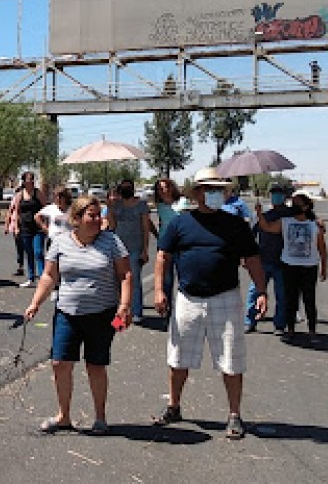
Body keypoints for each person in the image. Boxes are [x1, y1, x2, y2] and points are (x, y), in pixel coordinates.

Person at [152, 167, 267, 440]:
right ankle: (174, 406)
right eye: (208, 189)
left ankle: (234, 415)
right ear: (197, 193)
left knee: (231, 359)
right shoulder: (181, 223)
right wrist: (158, 290)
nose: (213, 194)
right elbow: (162, 257)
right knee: (178, 358)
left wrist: (261, 291)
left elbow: (252, 260)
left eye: (218, 190)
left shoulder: (236, 225)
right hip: (187, 299)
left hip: (225, 299)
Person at [24, 195, 132, 434]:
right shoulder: (61, 242)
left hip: (102, 314)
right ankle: (63, 416)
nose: (97, 220)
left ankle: (100, 418)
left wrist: (124, 306)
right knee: (60, 363)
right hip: (67, 313)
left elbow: (125, 275)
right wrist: (36, 303)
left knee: (95, 365)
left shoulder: (111, 241)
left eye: (99, 215)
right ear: (77, 218)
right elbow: (49, 276)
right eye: (91, 215)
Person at [256, 193, 327, 340]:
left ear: (306, 206)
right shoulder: (285, 222)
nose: (293, 207)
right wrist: (259, 213)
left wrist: (324, 267)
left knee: (309, 299)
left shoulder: (315, 224)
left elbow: (322, 248)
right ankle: (290, 329)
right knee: (290, 299)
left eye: (297, 204)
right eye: (292, 203)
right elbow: (266, 227)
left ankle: (312, 330)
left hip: (309, 266)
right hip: (289, 265)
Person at [246, 185, 290, 334]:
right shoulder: (263, 214)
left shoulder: (289, 215)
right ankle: (249, 321)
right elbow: (251, 235)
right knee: (254, 292)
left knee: (281, 295)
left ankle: (279, 324)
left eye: (279, 194)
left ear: (284, 196)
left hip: (283, 261)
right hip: (262, 259)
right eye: (273, 194)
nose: (276, 197)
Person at [105, 179, 151, 322]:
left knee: (134, 280)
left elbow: (145, 228)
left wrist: (145, 249)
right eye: (122, 188)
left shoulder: (142, 205)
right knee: (118, 280)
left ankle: (137, 311)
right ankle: (122, 309)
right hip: (118, 248)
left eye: (127, 187)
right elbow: (112, 225)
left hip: (135, 248)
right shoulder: (116, 205)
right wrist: (110, 209)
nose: (125, 190)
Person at [151, 178, 182, 311]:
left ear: (171, 188)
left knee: (183, 278)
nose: (162, 190)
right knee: (166, 281)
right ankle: (168, 309)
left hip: (181, 244)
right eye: (159, 189)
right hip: (164, 244)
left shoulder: (182, 202)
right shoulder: (159, 205)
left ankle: (183, 309)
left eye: (164, 187)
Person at [16, 171, 46, 288]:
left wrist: (45, 224)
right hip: (25, 228)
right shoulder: (20, 195)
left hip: (38, 227)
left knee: (38, 252)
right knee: (29, 253)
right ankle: (31, 278)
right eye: (29, 179)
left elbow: (46, 207)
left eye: (32, 179)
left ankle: (43, 277)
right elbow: (17, 211)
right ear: (24, 181)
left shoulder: (38, 193)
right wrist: (17, 226)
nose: (31, 181)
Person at [4, 185, 26, 277]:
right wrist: (7, 225)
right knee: (19, 246)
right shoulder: (15, 199)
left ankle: (29, 266)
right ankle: (20, 266)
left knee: (28, 247)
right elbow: (10, 211)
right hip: (16, 225)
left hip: (27, 225)